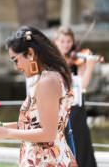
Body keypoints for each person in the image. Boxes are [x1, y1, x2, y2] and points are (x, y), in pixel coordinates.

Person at [0, 26, 77, 166]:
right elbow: (36, 126)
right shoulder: (52, 77)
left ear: (30, 53)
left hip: (47, 161)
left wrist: (7, 133)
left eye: (15, 60)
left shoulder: (47, 82)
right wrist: (2, 127)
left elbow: (48, 133)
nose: (16, 67)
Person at [54, 26, 97, 167]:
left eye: (69, 41)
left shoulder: (78, 59)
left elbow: (83, 85)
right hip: (58, 106)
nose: (66, 45)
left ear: (73, 42)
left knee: (79, 140)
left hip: (76, 106)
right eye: (62, 41)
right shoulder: (52, 61)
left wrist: (89, 66)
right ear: (56, 42)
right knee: (60, 141)